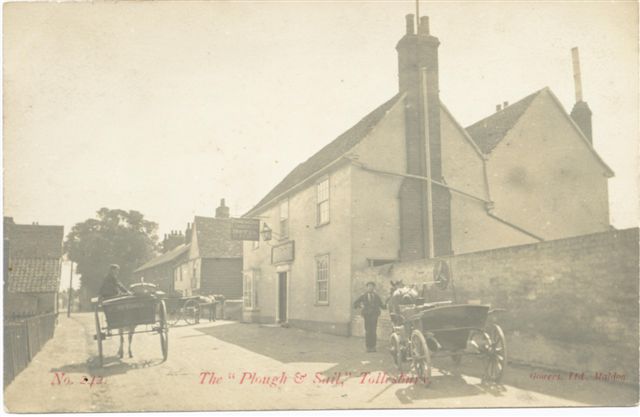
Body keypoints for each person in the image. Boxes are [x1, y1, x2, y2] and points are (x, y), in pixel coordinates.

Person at [353, 281, 386, 352]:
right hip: (367, 316)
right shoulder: (363, 296)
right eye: (369, 286)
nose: (370, 288)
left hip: (374, 315)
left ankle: (373, 347)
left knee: (373, 331)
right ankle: (368, 347)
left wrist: (387, 303)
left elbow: (382, 305)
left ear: (374, 288)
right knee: (368, 331)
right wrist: (360, 305)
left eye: (372, 286)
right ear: (367, 287)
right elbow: (355, 303)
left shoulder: (376, 296)